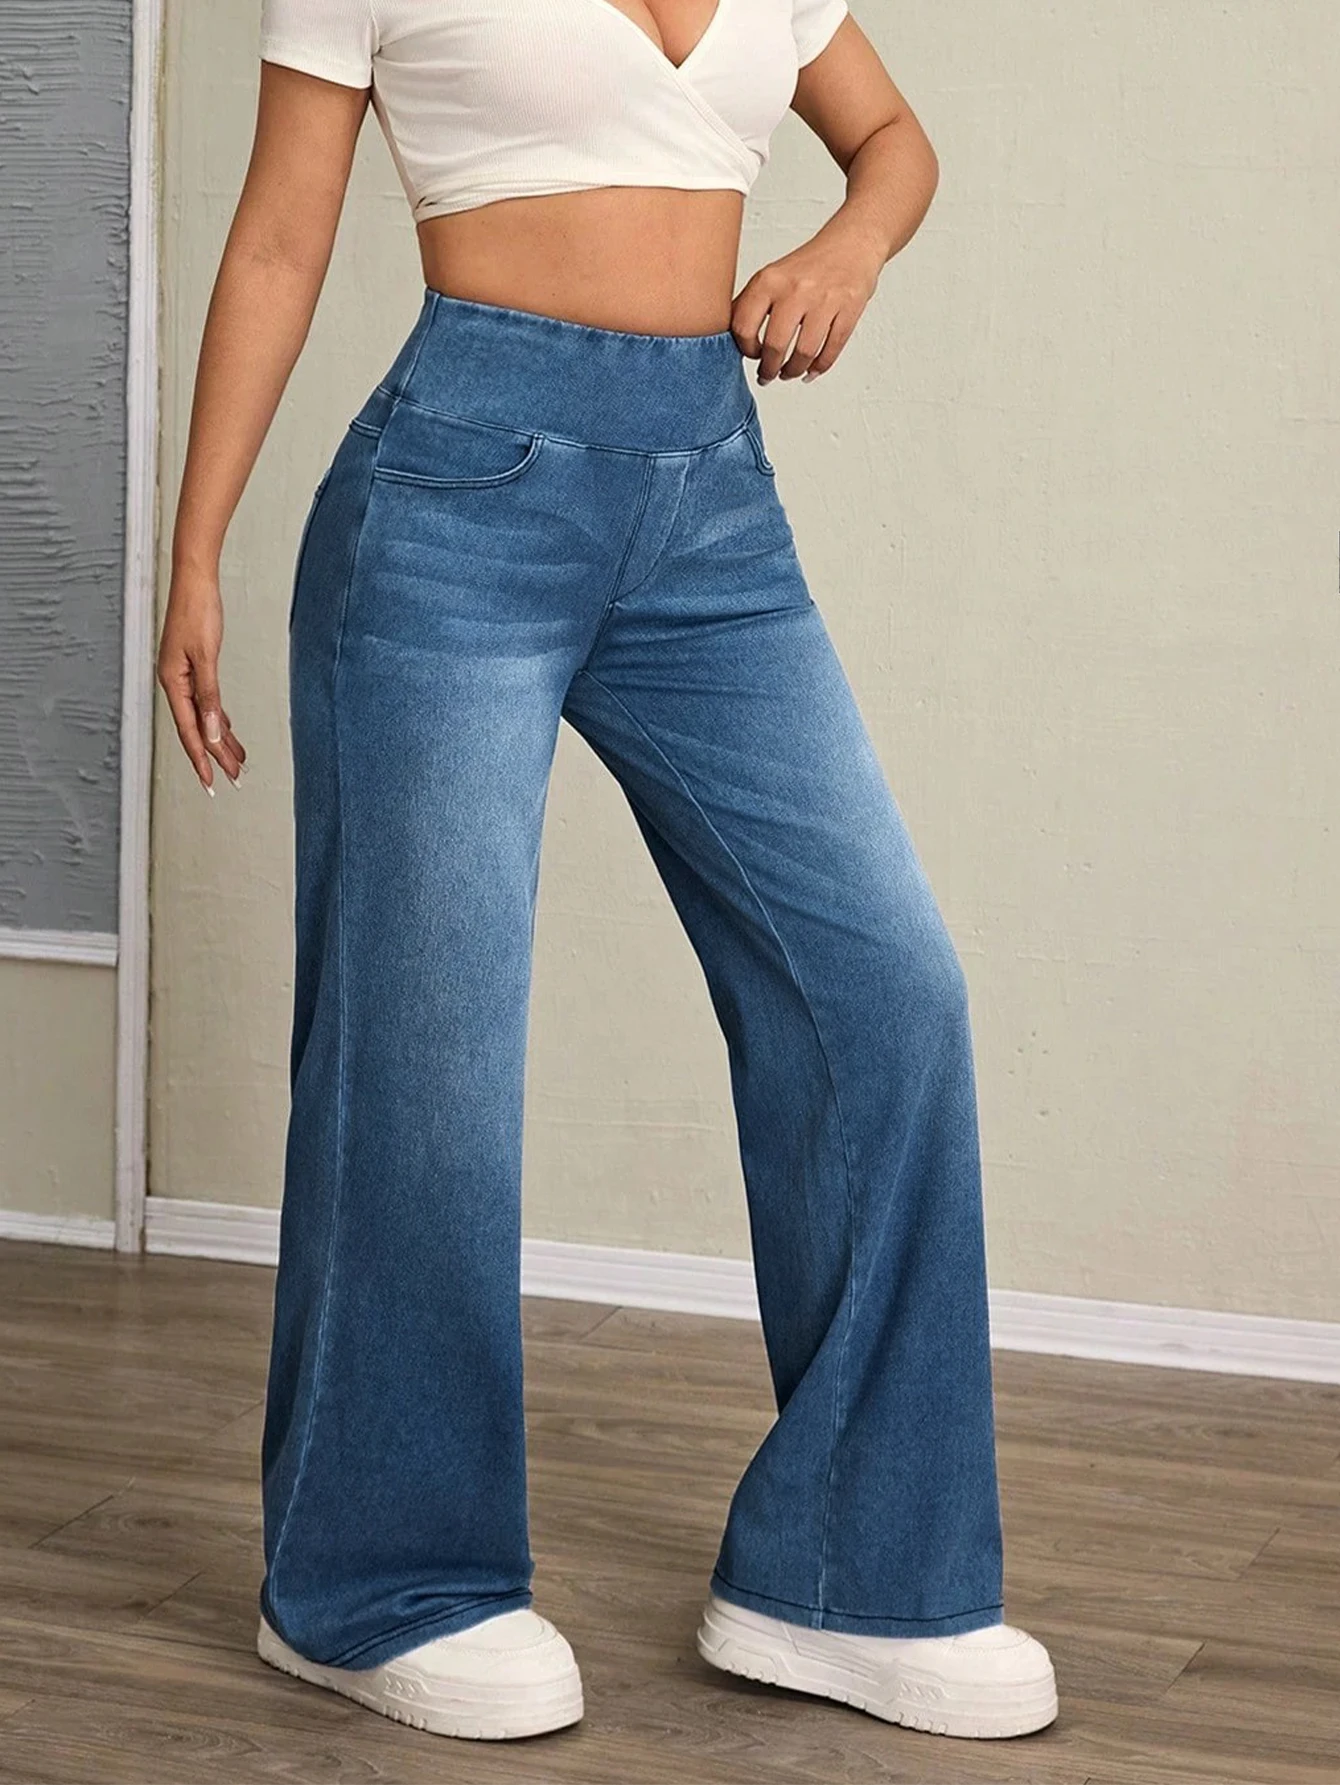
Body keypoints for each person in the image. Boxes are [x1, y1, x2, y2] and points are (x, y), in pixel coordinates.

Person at [156, 0, 1059, 1748]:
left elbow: (895, 144)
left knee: (884, 991)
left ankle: (852, 1572)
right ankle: (375, 1583)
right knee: (425, 1054)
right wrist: (196, 551)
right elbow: (278, 233)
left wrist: (850, 250)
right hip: (451, 506)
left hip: (711, 503)